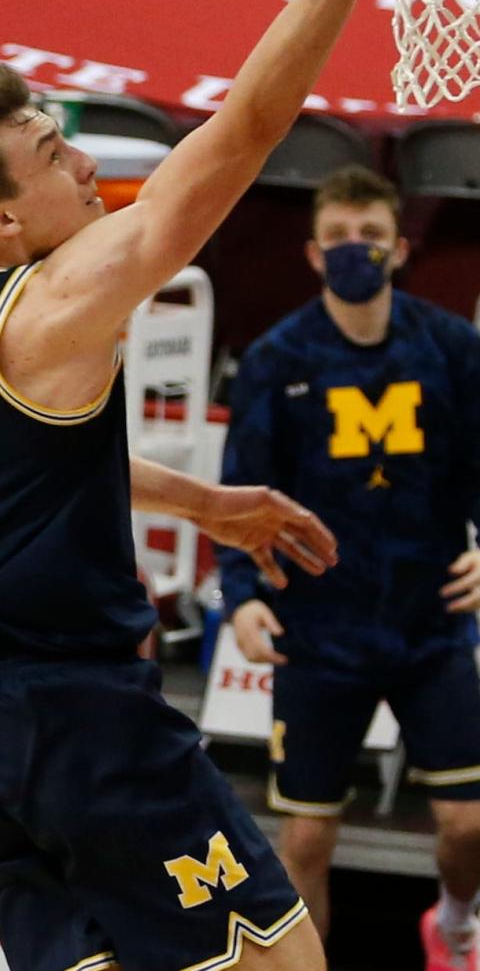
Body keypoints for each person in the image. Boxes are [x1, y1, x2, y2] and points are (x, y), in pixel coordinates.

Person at [0, 0, 438, 971]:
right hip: (79, 717)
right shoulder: (55, 304)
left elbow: (1, 464)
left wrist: (203, 501)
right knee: (286, 961)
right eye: (53, 156)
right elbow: (242, 131)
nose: (85, 164)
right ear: (1, 217)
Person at [216, 165, 480, 971]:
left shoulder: (451, 346)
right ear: (311, 251)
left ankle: (457, 923)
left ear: (400, 248)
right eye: (338, 239)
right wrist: (240, 598)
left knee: (469, 822)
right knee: (305, 835)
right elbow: (237, 494)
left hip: (429, 619)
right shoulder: (276, 356)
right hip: (319, 626)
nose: (354, 252)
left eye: (369, 238)